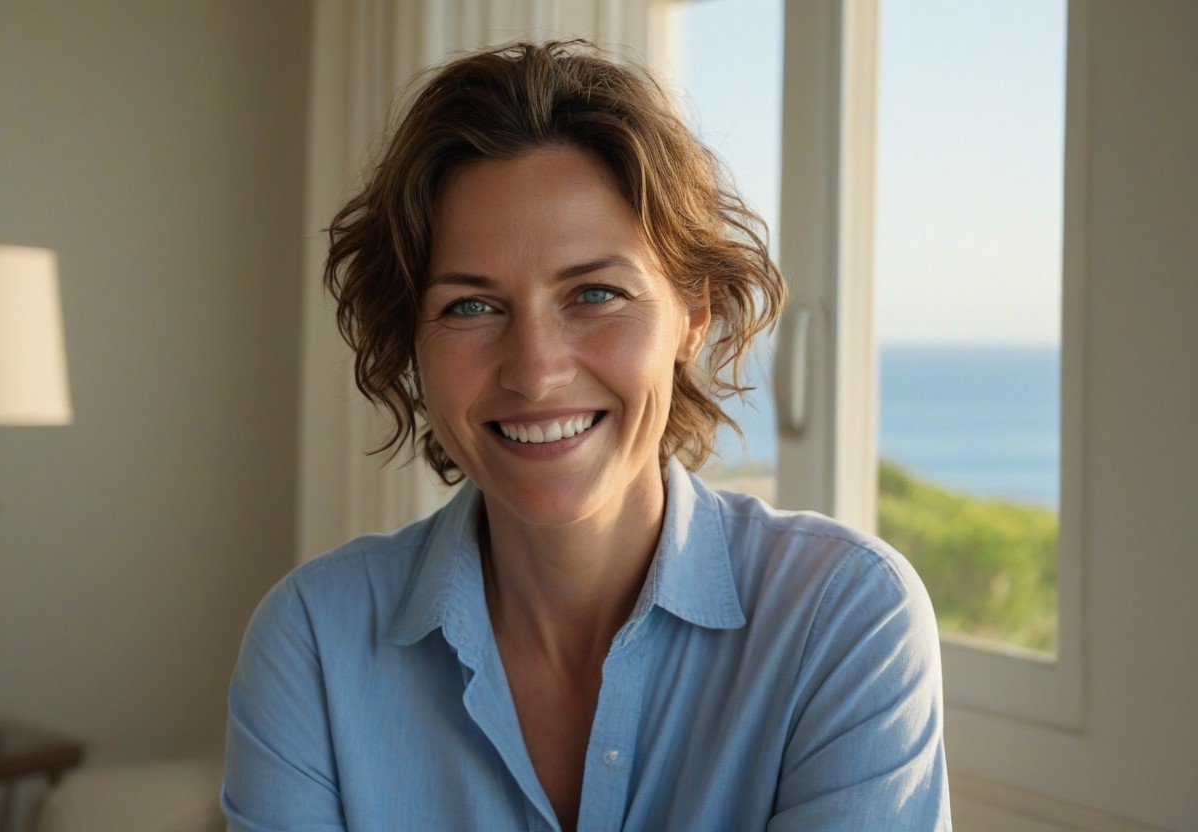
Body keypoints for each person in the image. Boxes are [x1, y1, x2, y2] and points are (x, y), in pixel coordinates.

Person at [222, 40, 950, 831]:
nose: (535, 373)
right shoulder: (313, 642)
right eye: (471, 306)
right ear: (412, 344)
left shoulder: (844, 620)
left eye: (595, 293)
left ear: (693, 316)